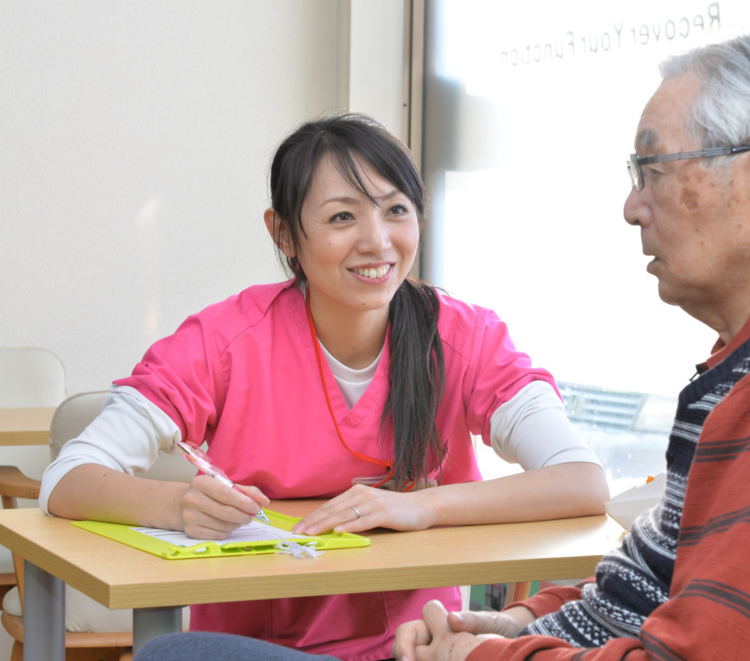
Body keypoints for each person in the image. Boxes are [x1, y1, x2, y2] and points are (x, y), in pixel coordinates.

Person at [392, 16, 750, 660]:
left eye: (652, 168)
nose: (632, 206)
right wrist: (521, 626)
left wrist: (477, 658)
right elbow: (660, 578)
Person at [39, 113, 609, 660]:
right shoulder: (225, 340)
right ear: (284, 233)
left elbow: (581, 481)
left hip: (417, 648)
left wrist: (422, 507)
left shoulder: (466, 337)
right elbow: (67, 479)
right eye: (342, 218)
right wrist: (178, 504)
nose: (377, 241)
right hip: (253, 652)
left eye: (396, 210)